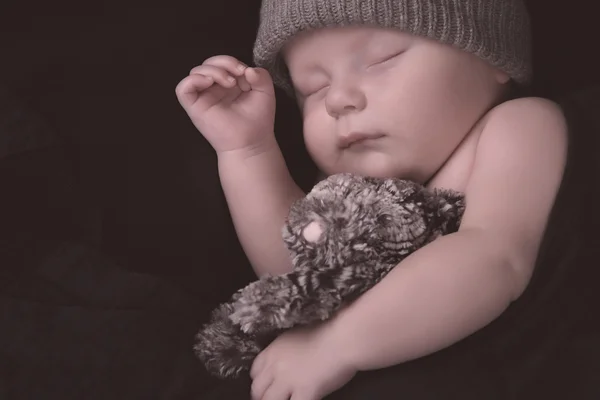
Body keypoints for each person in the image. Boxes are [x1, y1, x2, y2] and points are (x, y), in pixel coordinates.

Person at [175, 0, 568, 399]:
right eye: (314, 88)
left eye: (382, 59)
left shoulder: (517, 126)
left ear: (490, 54)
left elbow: (493, 257)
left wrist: (336, 344)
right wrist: (247, 150)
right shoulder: (353, 186)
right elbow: (298, 273)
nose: (338, 100)